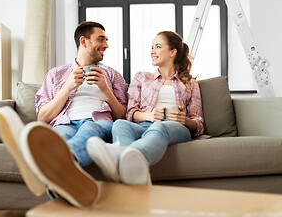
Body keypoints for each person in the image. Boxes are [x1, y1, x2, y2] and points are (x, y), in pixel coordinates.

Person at [0, 21, 127, 208]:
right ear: (84, 41)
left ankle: (38, 164)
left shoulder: (112, 75)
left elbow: (122, 116)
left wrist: (106, 90)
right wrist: (67, 87)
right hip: (65, 123)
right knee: (61, 135)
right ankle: (58, 172)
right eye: (101, 39)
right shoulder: (56, 75)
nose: (106, 45)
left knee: (89, 129)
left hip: (99, 122)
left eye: (106, 40)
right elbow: (43, 118)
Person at [86, 31, 204, 185]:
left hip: (176, 128)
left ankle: (119, 157)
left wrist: (186, 120)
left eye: (158, 46)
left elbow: (198, 122)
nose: (152, 51)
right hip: (145, 124)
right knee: (120, 124)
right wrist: (149, 116)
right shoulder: (142, 77)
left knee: (159, 127)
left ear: (172, 52)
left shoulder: (189, 82)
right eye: (152, 47)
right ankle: (133, 172)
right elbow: (130, 113)